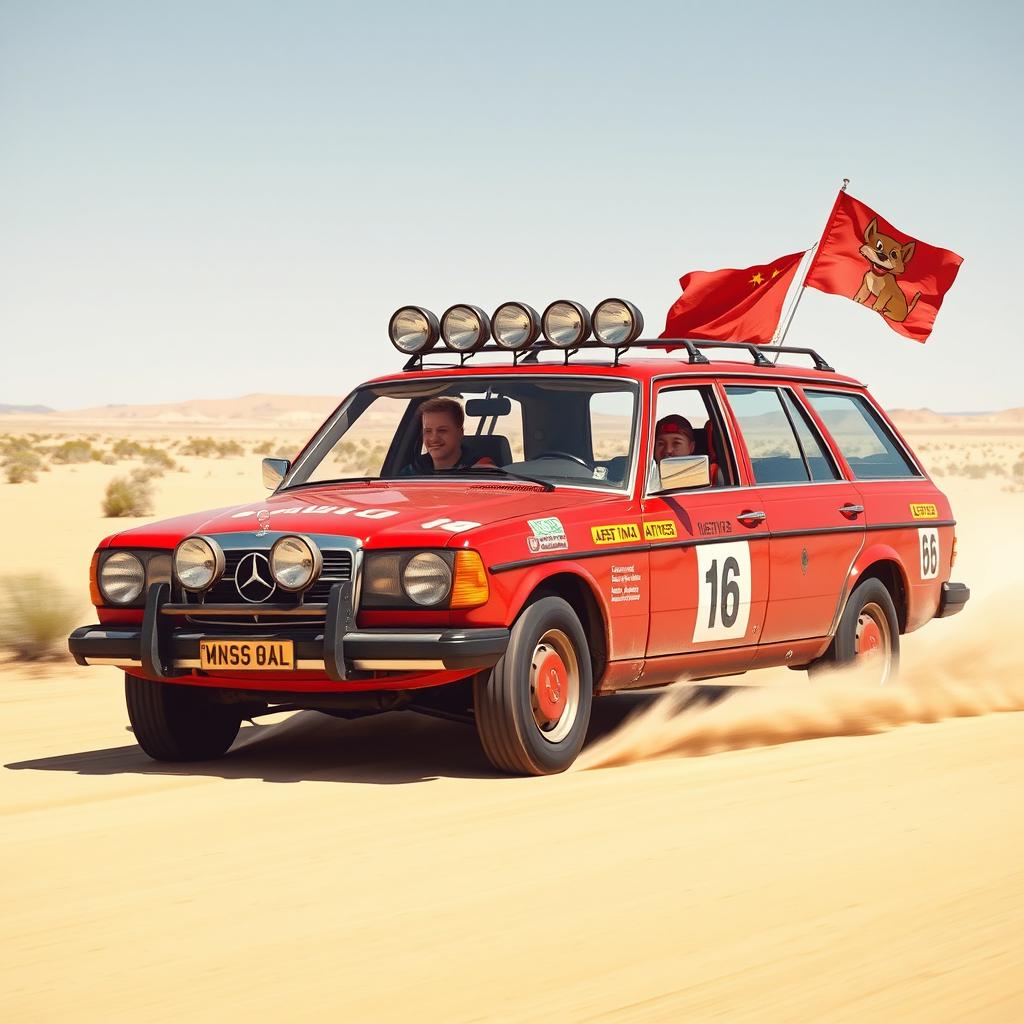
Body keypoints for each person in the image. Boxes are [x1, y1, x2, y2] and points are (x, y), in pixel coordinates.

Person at [400, 397, 496, 475]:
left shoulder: (482, 472)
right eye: (428, 431)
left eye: (442, 430)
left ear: (460, 433)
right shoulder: (413, 471)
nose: (434, 438)